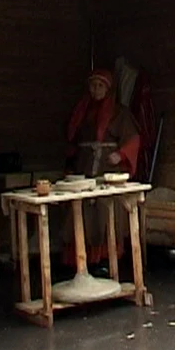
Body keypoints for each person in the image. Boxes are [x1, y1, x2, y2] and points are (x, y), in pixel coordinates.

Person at [62, 69, 141, 274]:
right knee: (81, 213)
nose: (96, 90)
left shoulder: (119, 113)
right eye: (93, 86)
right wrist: (70, 164)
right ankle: (81, 259)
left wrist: (121, 155)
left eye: (100, 86)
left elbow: (133, 139)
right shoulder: (82, 111)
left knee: (106, 213)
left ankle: (106, 259)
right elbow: (73, 140)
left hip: (107, 170)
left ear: (108, 89)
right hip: (85, 168)